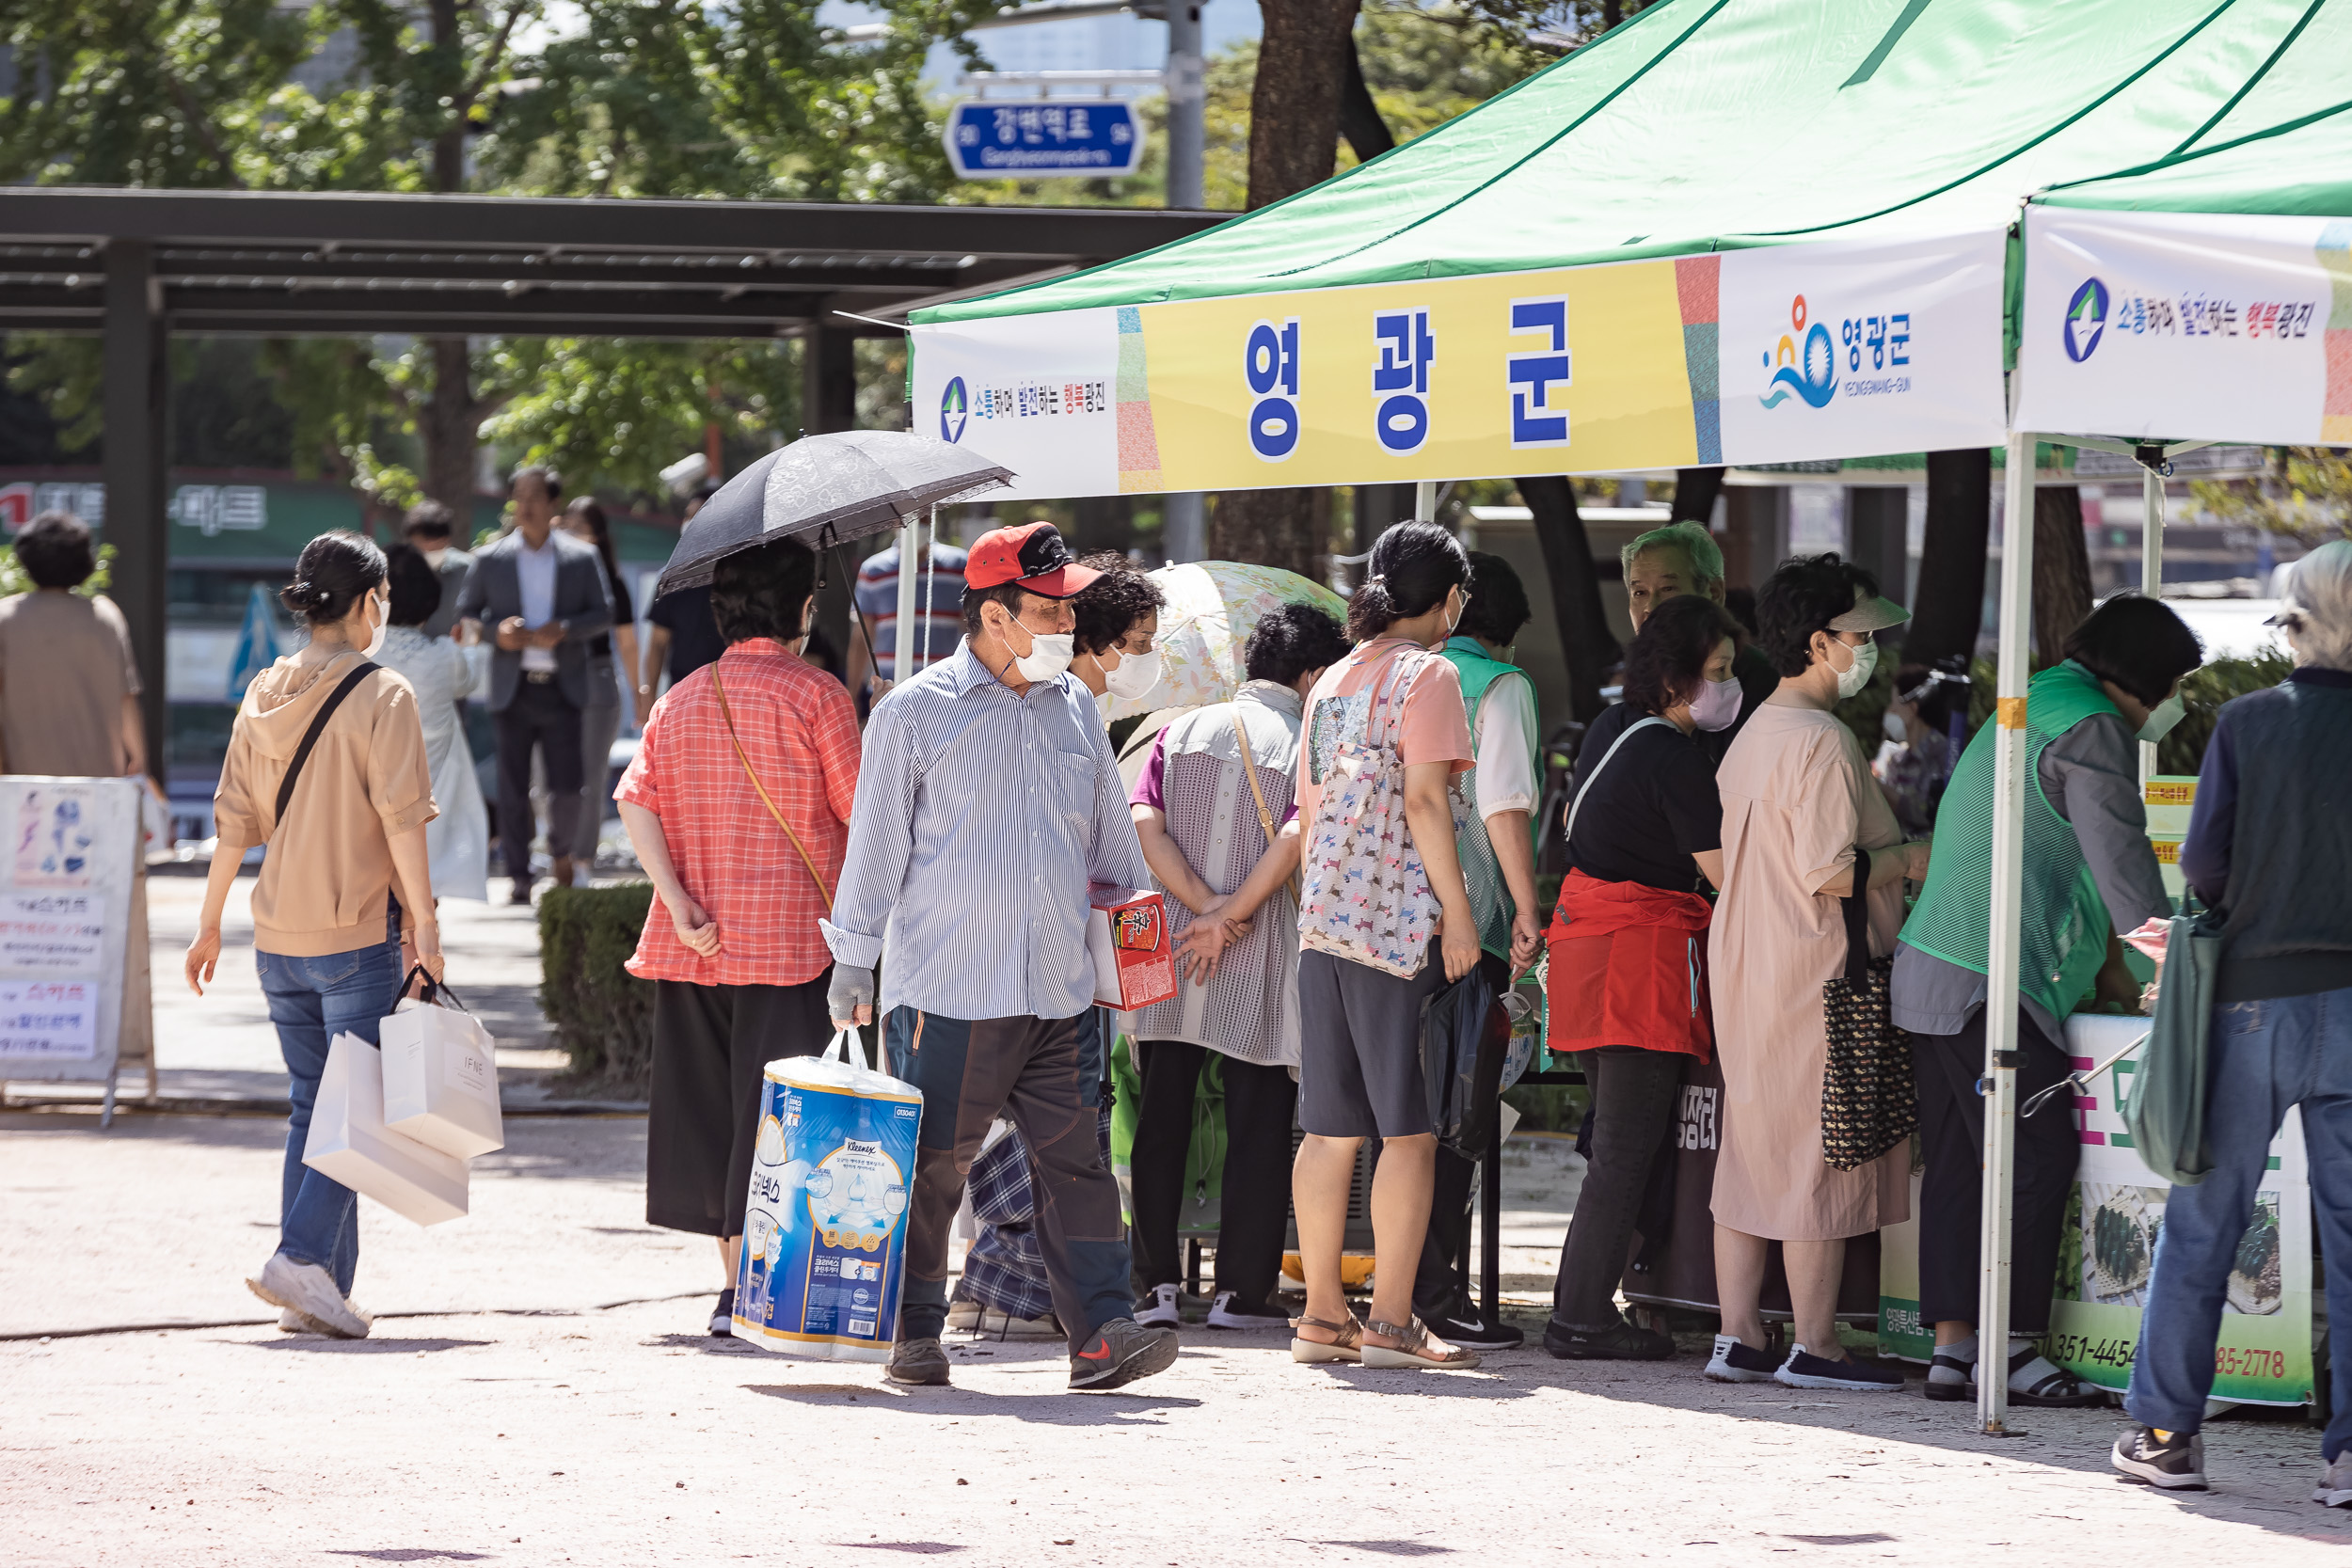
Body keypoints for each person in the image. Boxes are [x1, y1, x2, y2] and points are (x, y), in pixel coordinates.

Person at [820, 521, 1176, 1392]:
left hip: (1059, 987)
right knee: (934, 1168)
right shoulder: (913, 712)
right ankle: (911, 1332)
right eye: (1050, 609)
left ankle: (1101, 1336)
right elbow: (874, 846)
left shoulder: (1076, 709)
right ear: (995, 616)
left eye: (1067, 607)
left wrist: (1139, 956)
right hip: (951, 987)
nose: (1067, 623)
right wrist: (853, 957)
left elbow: (1113, 847)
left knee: (1080, 1168)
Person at [1899, 594, 2199, 1408]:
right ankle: (2016, 1345)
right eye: (2175, 686)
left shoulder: (2032, 699)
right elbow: (2126, 868)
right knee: (2038, 1158)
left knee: (1961, 1163)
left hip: (1932, 967)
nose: (2175, 705)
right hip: (1984, 979)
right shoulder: (2092, 727)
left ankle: (1954, 1349)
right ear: (2143, 677)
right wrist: (2177, 966)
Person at [2111, 541, 2352, 1498]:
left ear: (2295, 620)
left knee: (2205, 1216)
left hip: (2250, 1000)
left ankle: (2166, 1434)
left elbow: (2203, 871)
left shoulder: (2249, 725)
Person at [184, 531, 439, 1341]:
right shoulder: (385, 693)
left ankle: (318, 1287)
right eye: (386, 595)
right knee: (355, 1111)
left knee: (312, 1106)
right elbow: (404, 827)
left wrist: (207, 924)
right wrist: (427, 930)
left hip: (275, 936)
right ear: (368, 602)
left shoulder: (263, 690)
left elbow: (233, 822)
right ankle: (299, 1256)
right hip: (356, 933)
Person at [615, 536, 859, 1338]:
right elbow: (864, 811)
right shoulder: (818, 695)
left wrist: (676, 898)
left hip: (695, 940)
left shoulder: (681, 695)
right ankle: (767, 1291)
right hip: (794, 940)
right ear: (802, 606)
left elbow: (634, 799)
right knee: (782, 1116)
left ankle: (731, 1289)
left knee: (713, 1113)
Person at [1704, 553, 1927, 1391]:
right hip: (1817, 962)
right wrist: (1909, 857)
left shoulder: (1755, 729)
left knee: (1752, 1143)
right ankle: (1817, 1344)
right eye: (1862, 631)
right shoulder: (1826, 741)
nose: (1870, 645)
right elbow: (1830, 870)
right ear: (1822, 639)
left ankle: (1739, 1336)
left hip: (1748, 957)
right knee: (1817, 1147)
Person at [1289, 520, 1483, 1372]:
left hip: (1323, 921)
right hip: (1396, 926)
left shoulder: (1331, 677)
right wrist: (1461, 908)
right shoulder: (1430, 673)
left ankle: (1322, 1316)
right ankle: (1395, 1322)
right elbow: (1427, 802)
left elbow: (1311, 804)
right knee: (1409, 1132)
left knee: (1330, 1130)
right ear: (1448, 601)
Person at [1125, 601, 1351, 1333]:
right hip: (1262, 950)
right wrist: (1233, 914)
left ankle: (1154, 1285)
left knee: (1162, 1115)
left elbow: (1144, 820)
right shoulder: (1308, 741)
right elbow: (1297, 836)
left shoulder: (1178, 729)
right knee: (1260, 1120)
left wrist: (1201, 907)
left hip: (1173, 942)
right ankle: (1240, 1293)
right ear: (1312, 673)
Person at [1542, 593, 1740, 1360]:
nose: (1727, 686)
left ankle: (1583, 1306)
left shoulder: (1611, 729)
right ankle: (1581, 1315)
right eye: (1717, 672)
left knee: (1615, 1141)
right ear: (1675, 676)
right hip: (1639, 957)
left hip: (1590, 951)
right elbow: (1727, 875)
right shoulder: (1673, 755)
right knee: (1626, 1145)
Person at [1407, 549, 1545, 1352]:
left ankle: (1397, 1291)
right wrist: (1527, 908)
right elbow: (1505, 802)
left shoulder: (1405, 674)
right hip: (1474, 922)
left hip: (1387, 918)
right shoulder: (1501, 686)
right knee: (1460, 1107)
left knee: (1399, 1112)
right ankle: (1437, 1293)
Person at [453, 466, 614, 903]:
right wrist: (496, 633)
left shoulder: (580, 557)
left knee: (567, 784)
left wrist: (565, 627)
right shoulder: (491, 558)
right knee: (511, 784)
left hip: (564, 685)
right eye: (517, 498)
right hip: (512, 684)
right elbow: (467, 617)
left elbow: (604, 612)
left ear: (552, 504)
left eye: (533, 498)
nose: (523, 507)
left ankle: (561, 852)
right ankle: (520, 875)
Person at [374, 545, 491, 902]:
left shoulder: (363, 655)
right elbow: (470, 679)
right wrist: (469, 642)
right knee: (423, 894)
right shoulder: (444, 655)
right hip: (431, 800)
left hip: (372, 794)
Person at [1617, 521, 1778, 762]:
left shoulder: (1760, 682)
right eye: (1639, 593)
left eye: (1669, 588)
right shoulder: (1637, 685)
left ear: (1714, 593)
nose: (1651, 608)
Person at [561, 498, 639, 884]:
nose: (571, 532)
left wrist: (642, 697)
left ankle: (581, 862)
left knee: (591, 775)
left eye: (580, 526)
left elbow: (627, 644)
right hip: (554, 679)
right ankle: (558, 852)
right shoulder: (554, 574)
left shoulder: (613, 580)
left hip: (596, 678)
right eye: (567, 524)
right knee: (550, 777)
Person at [849, 531, 968, 713]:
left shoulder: (959, 564)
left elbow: (973, 630)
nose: (920, 517)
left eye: (925, 513)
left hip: (947, 693)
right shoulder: (873, 569)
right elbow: (860, 639)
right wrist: (852, 696)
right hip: (889, 694)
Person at [637, 484, 725, 727]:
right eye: (688, 516)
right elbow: (657, 644)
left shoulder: (740, 574)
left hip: (733, 695)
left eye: (699, 516)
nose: (690, 522)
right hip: (682, 694)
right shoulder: (673, 576)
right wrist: (649, 700)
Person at [1069, 551, 1166, 715]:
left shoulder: (1087, 711)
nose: (1150, 654)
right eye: (1141, 642)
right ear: (1088, 641)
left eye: (1151, 641)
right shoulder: (1046, 710)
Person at [402, 500, 477, 642]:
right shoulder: (397, 572)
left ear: (447, 540)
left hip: (453, 658)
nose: (429, 552)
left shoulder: (466, 569)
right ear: (409, 541)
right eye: (423, 547)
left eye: (436, 546)